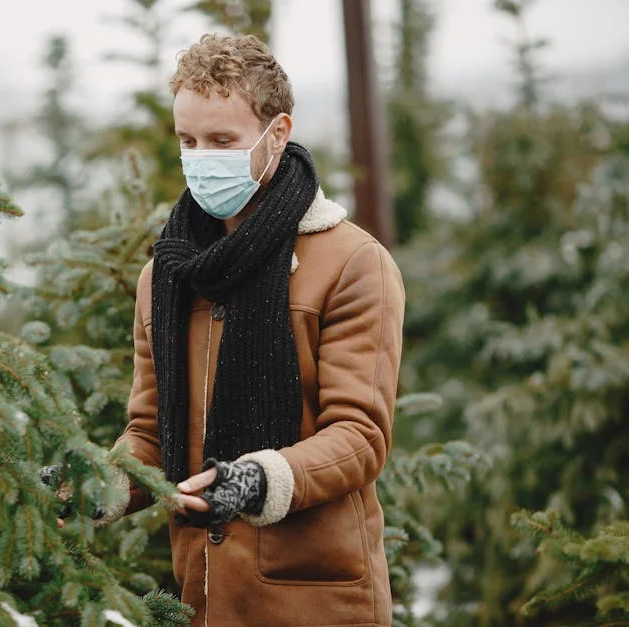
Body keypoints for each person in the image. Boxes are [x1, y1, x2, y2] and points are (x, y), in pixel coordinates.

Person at [46, 33, 405, 626]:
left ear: (278, 132)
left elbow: (359, 436)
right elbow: (149, 433)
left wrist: (260, 479)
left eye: (222, 141)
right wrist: (91, 485)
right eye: (188, 141)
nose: (202, 158)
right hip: (202, 597)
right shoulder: (165, 275)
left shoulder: (352, 264)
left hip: (315, 601)